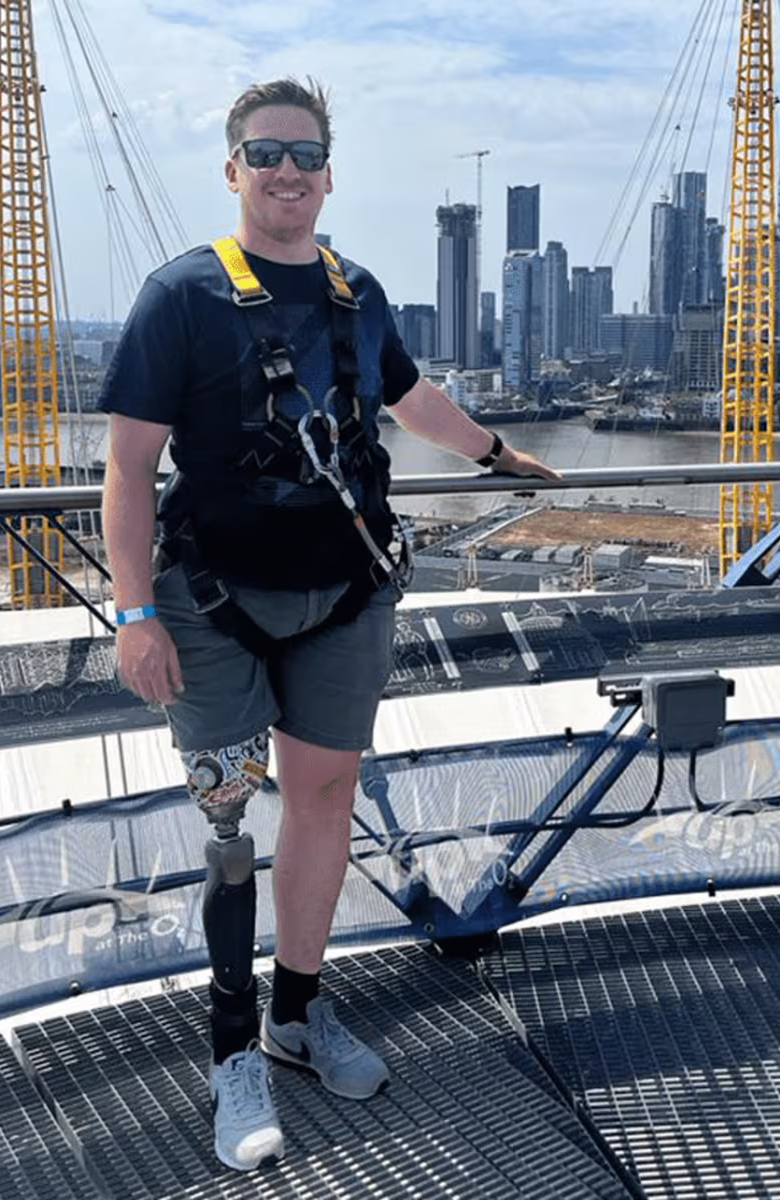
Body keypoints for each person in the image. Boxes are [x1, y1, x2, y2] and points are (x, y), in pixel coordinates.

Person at [99, 76, 559, 1172]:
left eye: (305, 155)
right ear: (233, 170)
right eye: (265, 154)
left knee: (323, 798)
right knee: (227, 820)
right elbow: (126, 465)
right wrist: (134, 613)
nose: (287, 172)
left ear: (330, 174)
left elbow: (410, 398)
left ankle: (296, 1013)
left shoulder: (358, 293)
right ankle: (231, 1055)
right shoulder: (181, 296)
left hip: (345, 595)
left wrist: (496, 454)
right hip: (213, 606)